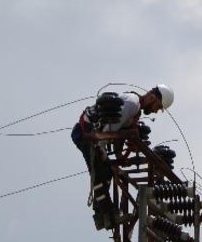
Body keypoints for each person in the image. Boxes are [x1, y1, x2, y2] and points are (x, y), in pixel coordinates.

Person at [71, 85, 175, 230]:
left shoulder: (134, 109)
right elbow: (108, 129)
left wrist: (121, 155)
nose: (156, 111)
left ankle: (102, 215)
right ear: (152, 97)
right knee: (100, 173)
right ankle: (107, 214)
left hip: (93, 135)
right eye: (157, 106)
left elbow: (118, 132)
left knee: (105, 173)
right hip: (87, 133)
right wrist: (100, 148)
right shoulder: (132, 103)